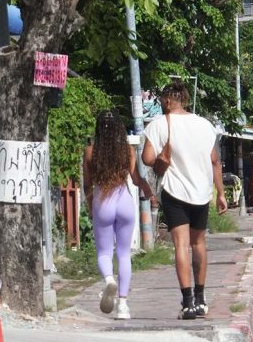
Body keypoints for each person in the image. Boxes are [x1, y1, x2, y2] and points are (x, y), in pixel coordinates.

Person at [142, 81, 228, 320]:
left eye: (162, 100)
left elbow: (147, 158)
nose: (161, 104)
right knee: (198, 244)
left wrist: (161, 157)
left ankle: (187, 302)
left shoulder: (159, 124)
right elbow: (214, 161)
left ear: (169, 100)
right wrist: (220, 193)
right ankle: (201, 300)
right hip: (201, 193)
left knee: (181, 245)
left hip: (175, 192)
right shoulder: (205, 125)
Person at [83, 110, 154, 320]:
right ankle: (123, 305)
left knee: (104, 253)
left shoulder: (90, 152)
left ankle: (109, 280)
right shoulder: (128, 151)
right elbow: (135, 179)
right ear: (119, 129)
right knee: (124, 254)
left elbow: (87, 185)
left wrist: (91, 206)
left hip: (102, 202)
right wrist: (148, 190)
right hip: (124, 201)